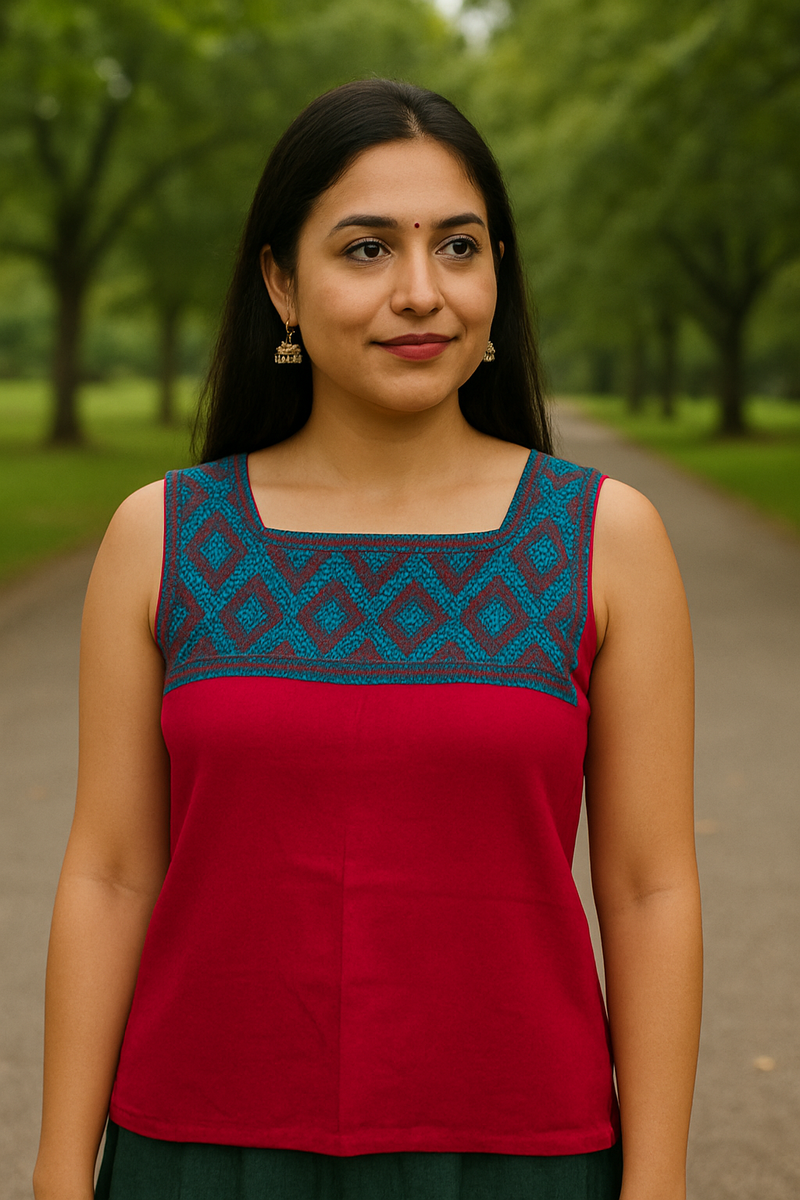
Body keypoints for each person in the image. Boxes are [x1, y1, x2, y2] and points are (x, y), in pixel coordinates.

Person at [33, 79, 702, 1200]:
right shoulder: (162, 537)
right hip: (200, 1149)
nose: (421, 291)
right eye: (366, 249)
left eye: (458, 246)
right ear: (280, 284)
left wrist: (659, 1182)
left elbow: (647, 887)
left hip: (521, 1155)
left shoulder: (603, 539)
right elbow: (109, 874)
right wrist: (59, 1172)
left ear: (497, 274)